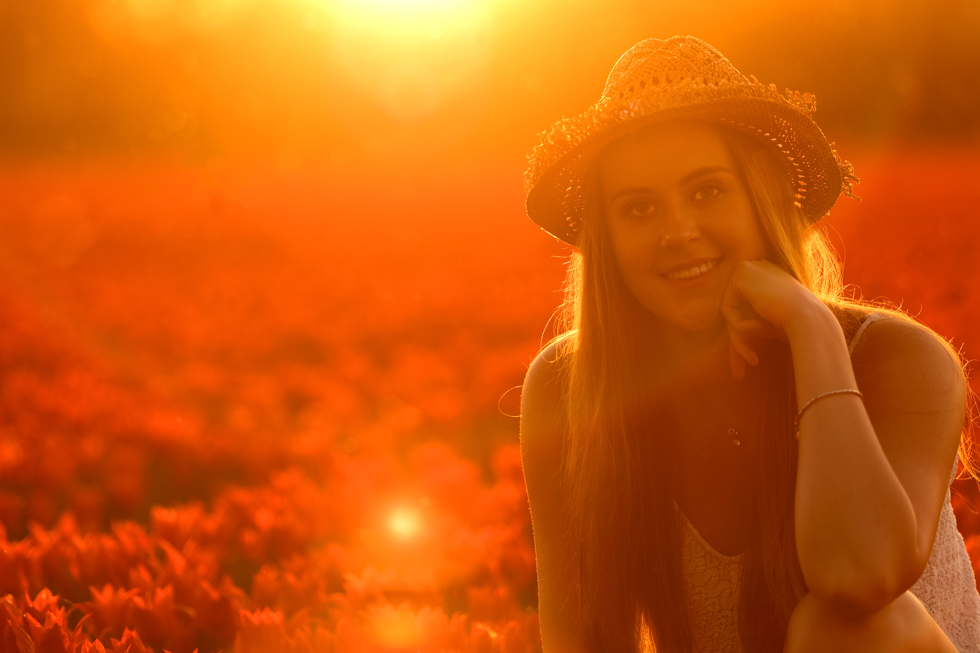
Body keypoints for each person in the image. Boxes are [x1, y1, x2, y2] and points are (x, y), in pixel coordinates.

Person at [519, 36, 980, 652]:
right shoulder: (567, 387)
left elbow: (858, 578)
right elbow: (577, 635)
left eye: (707, 191)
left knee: (839, 630)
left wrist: (812, 330)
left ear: (762, 203)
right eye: (638, 209)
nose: (678, 232)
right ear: (605, 243)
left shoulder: (899, 361)